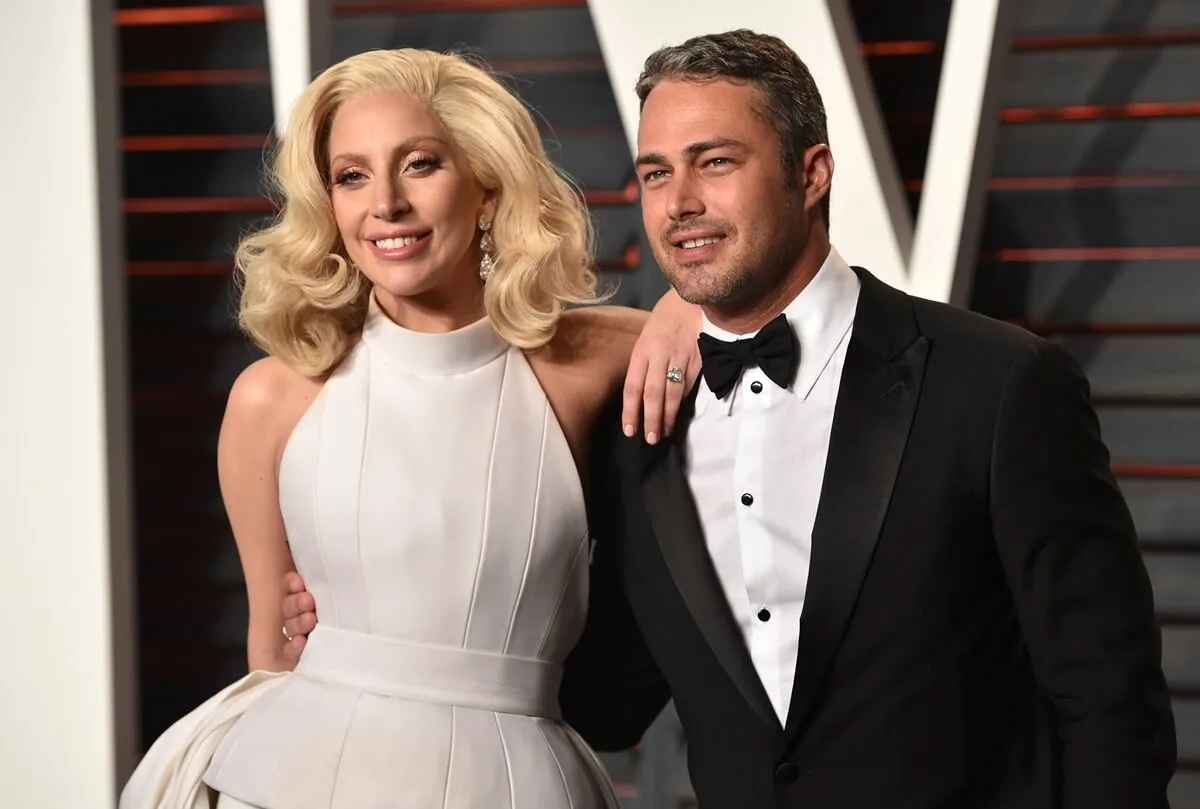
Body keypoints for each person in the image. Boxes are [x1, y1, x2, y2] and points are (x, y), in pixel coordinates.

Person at [277, 28, 1179, 809]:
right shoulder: (635, 413)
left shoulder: (998, 382)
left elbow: (1110, 698)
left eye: (715, 162)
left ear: (813, 172)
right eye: (656, 173)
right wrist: (401, 619)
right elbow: (609, 695)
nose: (680, 203)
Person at [119, 47, 702, 809]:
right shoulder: (271, 400)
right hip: (294, 779)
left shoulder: (584, 364)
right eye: (351, 176)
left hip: (522, 779)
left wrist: (686, 304)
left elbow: (743, 311)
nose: (384, 204)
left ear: (487, 186)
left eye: (420, 164)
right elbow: (273, 652)